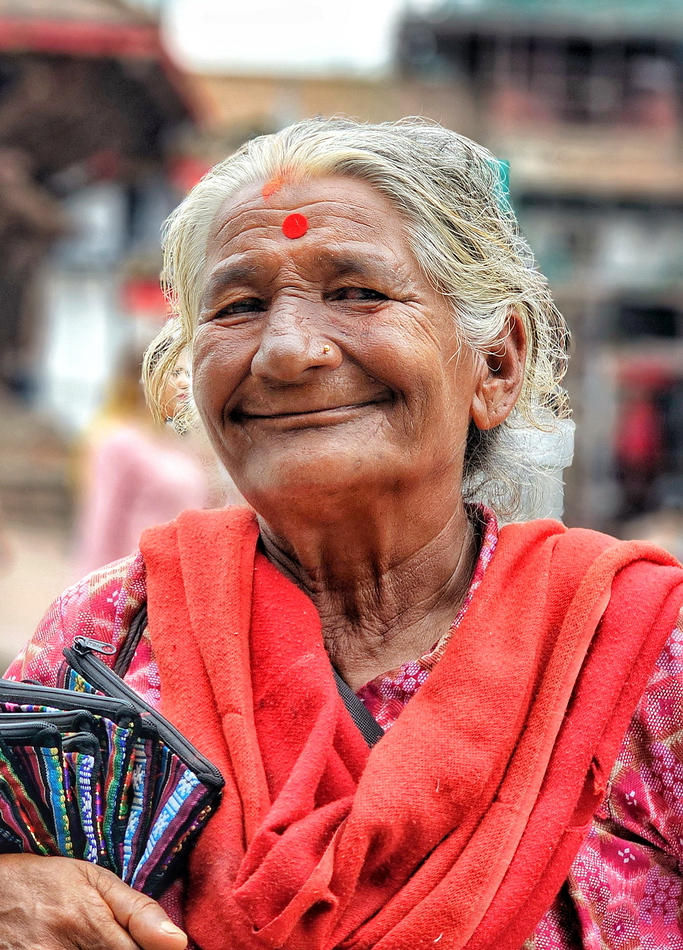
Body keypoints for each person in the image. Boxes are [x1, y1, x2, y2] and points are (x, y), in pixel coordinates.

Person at [2, 117, 683, 950]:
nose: (286, 350)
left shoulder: (645, 658)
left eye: (357, 292)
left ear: (495, 365)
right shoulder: (109, 632)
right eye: (240, 305)